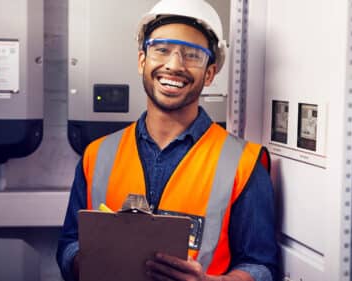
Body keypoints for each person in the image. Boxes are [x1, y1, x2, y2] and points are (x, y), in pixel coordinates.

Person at [57, 0, 279, 280]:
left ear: (209, 73)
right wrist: (88, 260)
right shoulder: (97, 155)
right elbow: (68, 244)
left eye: (192, 55)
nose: (174, 65)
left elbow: (261, 267)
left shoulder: (244, 163)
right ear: (142, 61)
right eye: (161, 50)